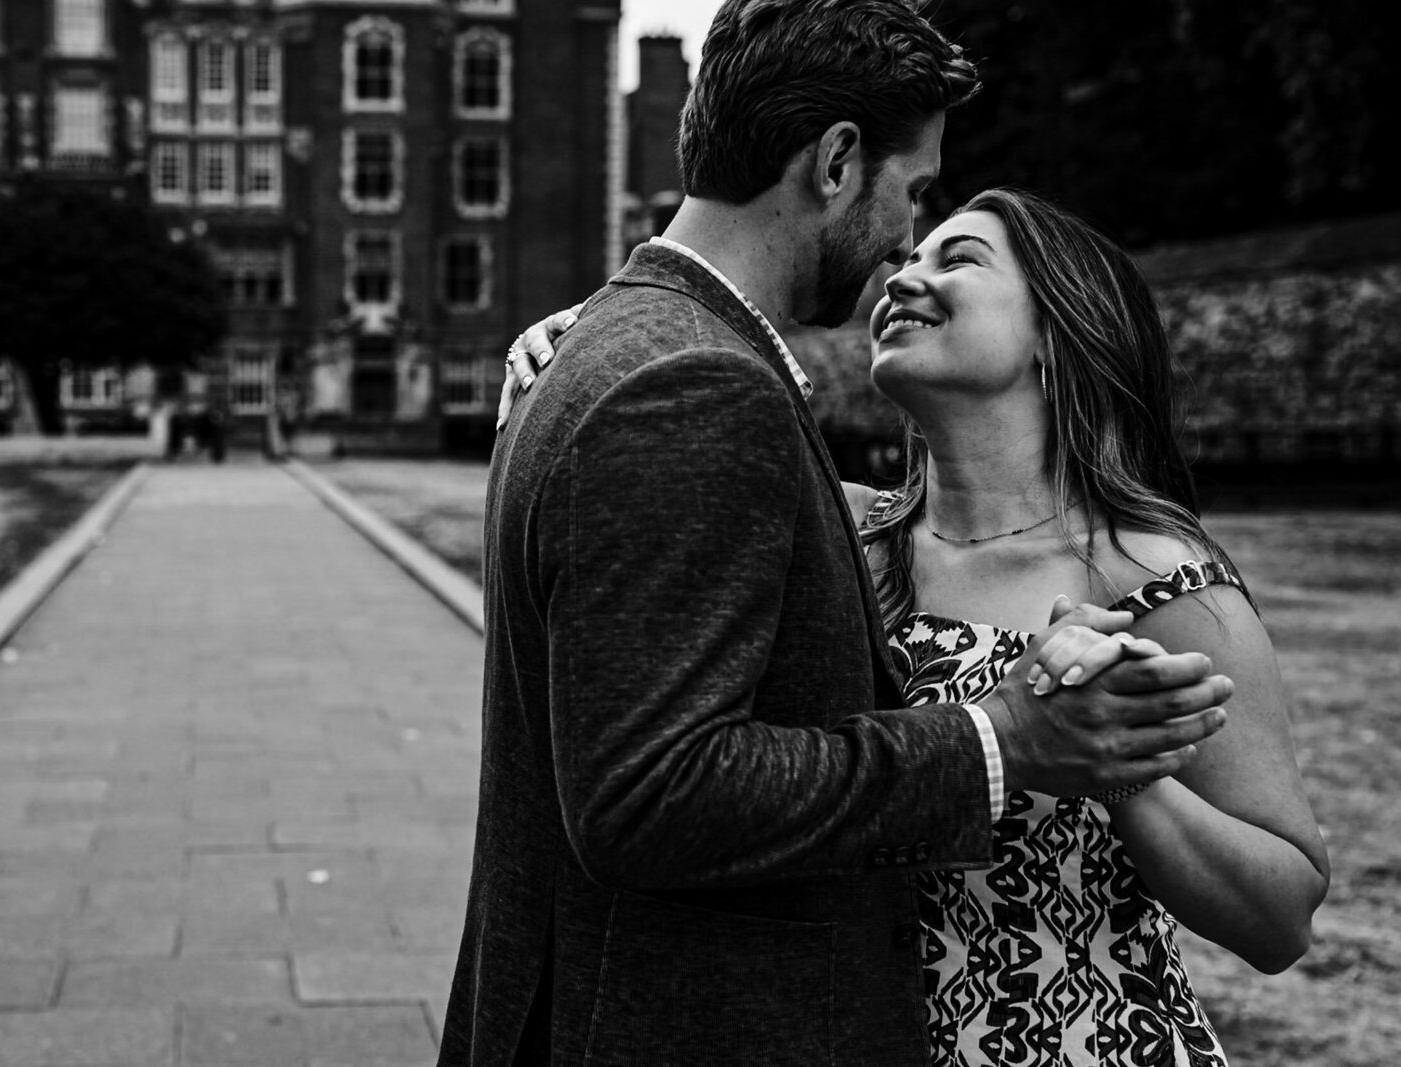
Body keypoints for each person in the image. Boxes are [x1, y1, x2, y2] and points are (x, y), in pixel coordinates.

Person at [444, 3, 1233, 1063]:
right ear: (835, 161)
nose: (906, 245)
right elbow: (648, 793)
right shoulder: (690, 380)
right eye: (911, 195)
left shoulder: (616, 349)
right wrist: (1004, 738)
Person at [504, 187, 1331, 1065]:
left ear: (1058, 331)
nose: (903, 278)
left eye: (959, 260)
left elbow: (1282, 917)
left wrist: (1124, 772)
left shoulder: (1159, 578)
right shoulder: (834, 534)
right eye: (908, 258)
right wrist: (603, 347)